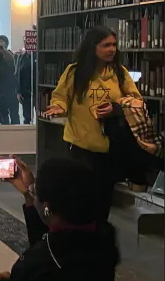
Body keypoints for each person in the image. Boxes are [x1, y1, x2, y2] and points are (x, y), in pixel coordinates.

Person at [44, 25, 141, 220]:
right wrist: (58, 107)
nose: (112, 49)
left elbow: (135, 100)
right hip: (80, 146)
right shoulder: (75, 72)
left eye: (114, 45)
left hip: (109, 148)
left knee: (103, 199)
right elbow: (61, 96)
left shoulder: (120, 73)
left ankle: (98, 238)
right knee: (80, 197)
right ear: (92, 47)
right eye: (106, 45)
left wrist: (116, 108)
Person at [0, 35, 20, 125]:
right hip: (1, 92)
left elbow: (15, 72)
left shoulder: (11, 56)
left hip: (11, 92)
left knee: (14, 116)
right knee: (3, 116)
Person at [16, 48, 36, 125]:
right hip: (25, 91)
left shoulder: (38, 56)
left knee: (40, 116)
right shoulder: (21, 57)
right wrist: (18, 91)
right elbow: (18, 74)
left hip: (38, 91)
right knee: (27, 117)